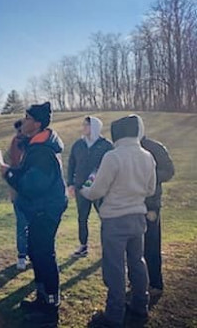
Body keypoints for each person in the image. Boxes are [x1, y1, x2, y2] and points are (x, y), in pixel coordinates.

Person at [81, 115, 156, 327]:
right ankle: (141, 307)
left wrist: (84, 189)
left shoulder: (113, 157)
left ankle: (114, 316)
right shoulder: (147, 156)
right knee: (137, 263)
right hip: (138, 216)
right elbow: (150, 189)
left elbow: (96, 190)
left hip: (115, 219)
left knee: (114, 268)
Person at [2, 102, 68, 327]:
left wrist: (9, 174)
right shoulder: (36, 145)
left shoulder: (42, 150)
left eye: (27, 117)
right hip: (41, 207)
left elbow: (32, 185)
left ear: (37, 123)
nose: (24, 121)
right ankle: (42, 299)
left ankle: (50, 308)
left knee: (43, 255)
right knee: (36, 251)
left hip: (46, 209)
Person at [67, 116, 112, 257]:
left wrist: (94, 181)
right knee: (82, 217)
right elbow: (71, 165)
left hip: (100, 189)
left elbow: (110, 166)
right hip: (81, 189)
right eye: (83, 125)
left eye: (86, 125)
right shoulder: (78, 145)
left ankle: (109, 246)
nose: (83, 127)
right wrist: (70, 184)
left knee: (105, 217)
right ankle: (83, 246)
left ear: (94, 127)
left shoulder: (106, 145)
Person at [139, 125, 174, 295]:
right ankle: (139, 281)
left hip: (151, 204)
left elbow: (169, 171)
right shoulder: (126, 148)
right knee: (136, 245)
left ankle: (155, 283)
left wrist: (149, 177)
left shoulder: (154, 147)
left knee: (151, 244)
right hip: (133, 202)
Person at [5, 119, 29, 270]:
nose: (19, 134)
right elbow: (9, 164)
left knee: (34, 224)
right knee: (21, 223)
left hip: (33, 190)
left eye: (21, 130)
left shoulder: (34, 144)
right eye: (17, 131)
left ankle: (33, 253)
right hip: (18, 190)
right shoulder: (14, 143)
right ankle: (21, 255)